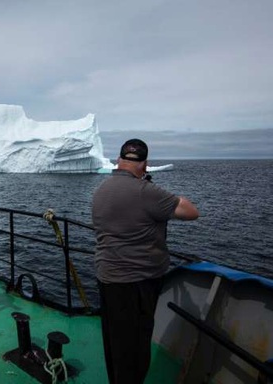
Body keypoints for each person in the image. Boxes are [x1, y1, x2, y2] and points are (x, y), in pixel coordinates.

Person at [91, 139, 199, 384]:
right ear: (144, 165)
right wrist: (172, 196)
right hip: (138, 283)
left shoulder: (100, 191)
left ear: (119, 160)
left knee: (115, 342)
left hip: (107, 277)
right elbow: (191, 212)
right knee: (136, 347)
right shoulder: (146, 192)